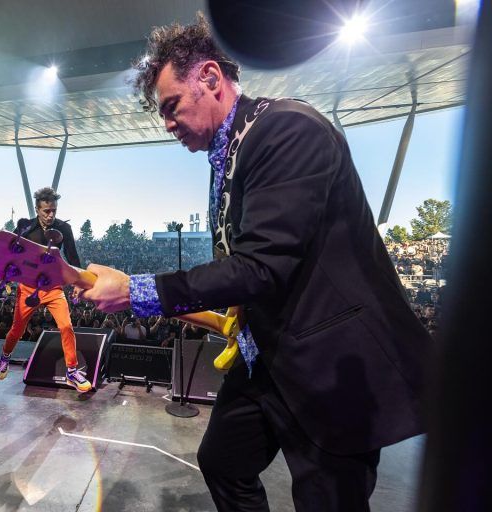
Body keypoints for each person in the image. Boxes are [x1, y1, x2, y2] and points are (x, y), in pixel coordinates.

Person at [80, 14, 431, 512]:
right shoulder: (230, 154)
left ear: (210, 77)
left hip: (330, 363)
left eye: (171, 106)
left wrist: (137, 290)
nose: (167, 124)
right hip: (267, 354)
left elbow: (260, 266)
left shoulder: (287, 129)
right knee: (223, 461)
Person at [0, 187, 91, 392]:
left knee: (66, 326)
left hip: (53, 286)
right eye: (46, 211)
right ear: (37, 209)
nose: (51, 215)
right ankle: (5, 355)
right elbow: (9, 252)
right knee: (17, 330)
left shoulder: (63, 228)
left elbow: (73, 257)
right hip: (28, 287)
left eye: (54, 210)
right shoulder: (26, 227)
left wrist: (78, 282)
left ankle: (72, 371)